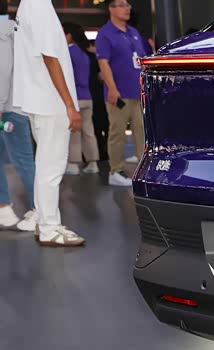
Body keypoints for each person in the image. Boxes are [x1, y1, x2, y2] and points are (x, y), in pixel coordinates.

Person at [13, 0, 85, 246]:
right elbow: (50, 57)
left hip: (40, 99)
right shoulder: (39, 5)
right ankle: (49, 228)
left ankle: (43, 221)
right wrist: (69, 105)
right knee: (51, 168)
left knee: (45, 166)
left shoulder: (27, 5)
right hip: (51, 101)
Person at [96, 0, 151, 187]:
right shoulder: (105, 34)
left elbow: (140, 60)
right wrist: (112, 88)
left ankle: (144, 169)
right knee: (117, 132)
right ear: (111, 9)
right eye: (122, 5)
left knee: (141, 131)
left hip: (137, 91)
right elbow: (103, 63)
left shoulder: (133, 32)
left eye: (128, 5)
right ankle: (115, 170)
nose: (127, 8)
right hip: (119, 93)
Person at [0, 2, 36, 232]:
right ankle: (4, 208)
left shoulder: (3, 33)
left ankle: (40, 210)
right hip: (13, 106)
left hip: (9, 109)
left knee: (23, 161)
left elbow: (2, 72)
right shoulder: (14, 29)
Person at [63, 22, 100, 176]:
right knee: (88, 131)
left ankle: (73, 163)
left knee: (74, 132)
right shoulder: (84, 53)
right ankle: (93, 162)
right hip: (87, 96)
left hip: (74, 97)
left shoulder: (67, 53)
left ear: (69, 36)